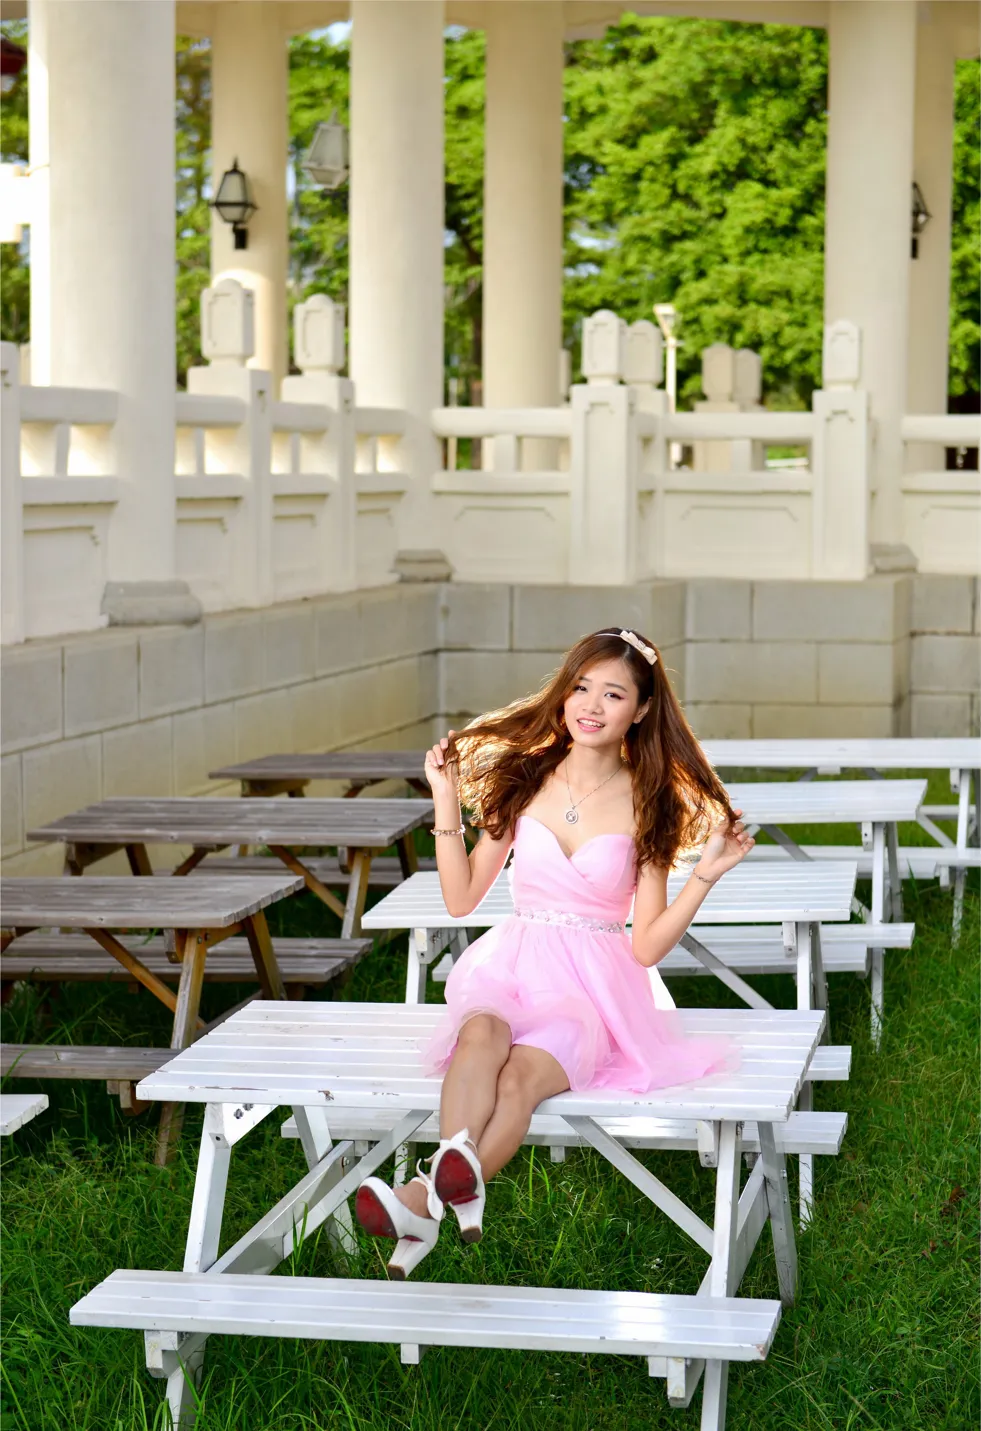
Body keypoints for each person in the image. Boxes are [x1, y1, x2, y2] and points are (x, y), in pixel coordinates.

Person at [355, 626, 755, 1278]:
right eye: (580, 686)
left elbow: (647, 944)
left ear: (642, 708)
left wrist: (704, 876)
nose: (591, 704)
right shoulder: (524, 776)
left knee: (519, 1080)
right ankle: (435, 1198)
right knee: (481, 1032)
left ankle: (420, 1203)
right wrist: (442, 797)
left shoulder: (648, 802)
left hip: (593, 990)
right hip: (513, 963)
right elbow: (460, 899)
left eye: (613, 692)